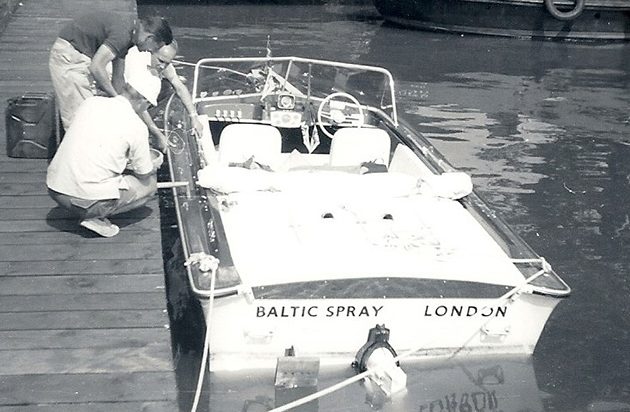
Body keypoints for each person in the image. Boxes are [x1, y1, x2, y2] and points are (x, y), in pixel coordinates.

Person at [46, 66, 163, 238]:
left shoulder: (91, 102)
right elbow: (143, 173)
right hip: (87, 200)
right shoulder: (137, 126)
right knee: (150, 186)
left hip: (55, 188)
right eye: (149, 105)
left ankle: (87, 208)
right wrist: (153, 165)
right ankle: (94, 217)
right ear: (143, 101)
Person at [49, 11, 173, 129]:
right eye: (155, 48)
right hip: (70, 58)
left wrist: (125, 105)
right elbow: (96, 67)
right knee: (81, 120)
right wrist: (118, 100)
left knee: (93, 113)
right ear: (150, 38)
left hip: (81, 57)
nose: (150, 51)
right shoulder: (123, 35)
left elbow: (118, 79)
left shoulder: (129, 36)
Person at [124, 40, 204, 151]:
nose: (163, 66)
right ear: (151, 51)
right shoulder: (136, 65)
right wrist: (158, 134)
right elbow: (138, 105)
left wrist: (194, 117)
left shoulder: (162, 62)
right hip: (125, 96)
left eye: (167, 63)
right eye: (161, 61)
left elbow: (179, 87)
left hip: (140, 99)